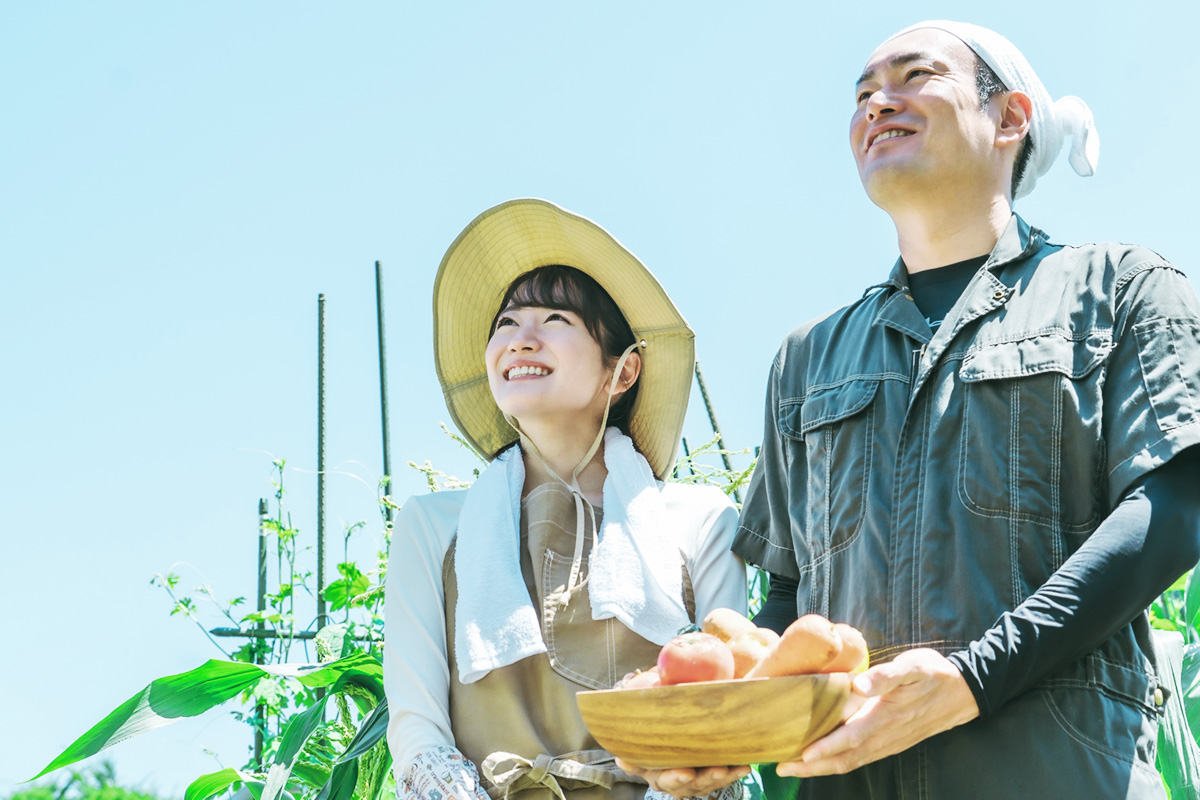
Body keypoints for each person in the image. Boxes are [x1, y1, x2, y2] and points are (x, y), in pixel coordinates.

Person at [631, 19, 1200, 799]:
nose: (876, 103)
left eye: (913, 77)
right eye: (862, 93)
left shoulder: (1122, 291)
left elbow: (1175, 507)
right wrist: (722, 718)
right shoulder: (807, 361)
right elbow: (792, 601)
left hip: (1062, 775)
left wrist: (971, 679)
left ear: (1009, 119)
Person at [383, 198, 749, 800]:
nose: (520, 341)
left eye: (555, 320)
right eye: (506, 324)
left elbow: (716, 726)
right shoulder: (429, 528)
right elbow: (419, 740)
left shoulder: (700, 521)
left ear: (623, 371)